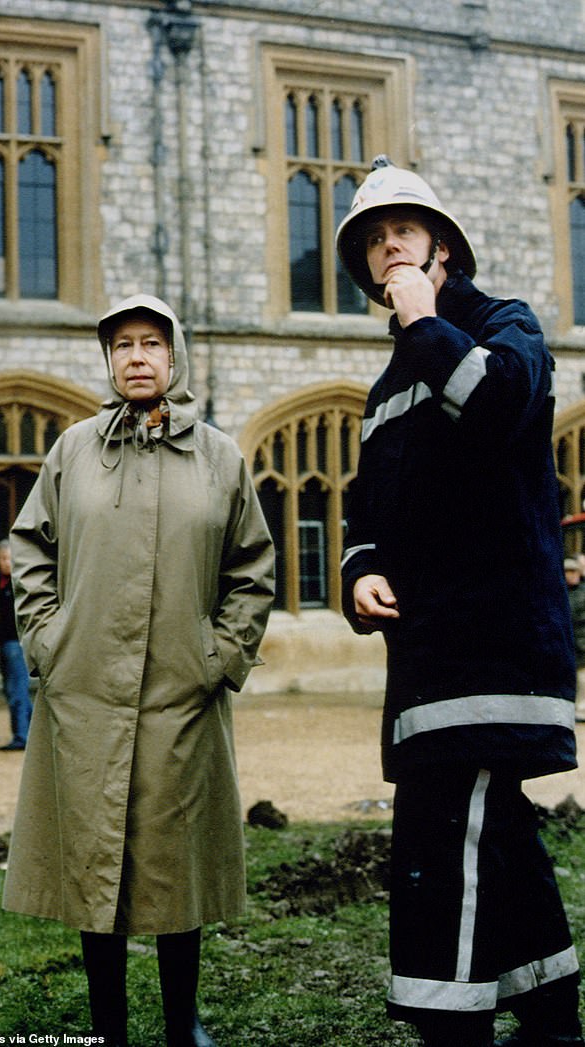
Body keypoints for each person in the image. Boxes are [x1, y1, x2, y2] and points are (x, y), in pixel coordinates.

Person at [335, 156, 583, 1047]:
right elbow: (368, 507)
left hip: (496, 644)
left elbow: (499, 409)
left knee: (446, 831)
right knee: (495, 827)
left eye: (401, 230)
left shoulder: (503, 324)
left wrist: (428, 324)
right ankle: (553, 1012)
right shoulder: (385, 384)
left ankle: (451, 1027)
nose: (386, 246)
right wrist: (359, 569)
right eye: (371, 239)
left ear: (441, 245)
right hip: (427, 656)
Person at [2, 294, 275, 1047]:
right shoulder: (74, 451)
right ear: (110, 360)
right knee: (96, 869)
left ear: (174, 354)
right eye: (123, 345)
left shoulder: (220, 456)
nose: (138, 357)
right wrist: (48, 640)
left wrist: (219, 654)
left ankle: (181, 1019)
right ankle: (108, 1026)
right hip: (84, 694)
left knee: (172, 866)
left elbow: (252, 567)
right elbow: (31, 549)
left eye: (152, 343)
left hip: (180, 697)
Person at [0, 539, 32, 750]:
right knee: (14, 690)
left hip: (15, 643)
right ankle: (27, 733)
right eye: (2, 559)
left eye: (9, 558)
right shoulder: (1, 581)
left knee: (17, 690)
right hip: (5, 642)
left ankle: (22, 736)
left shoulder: (19, 582)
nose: (6, 563)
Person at [565, 557, 585, 723]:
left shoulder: (583, 592)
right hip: (567, 643)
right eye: (568, 571)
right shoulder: (559, 591)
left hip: (581, 643)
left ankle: (581, 709)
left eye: (574, 571)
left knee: (582, 679)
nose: (571, 575)